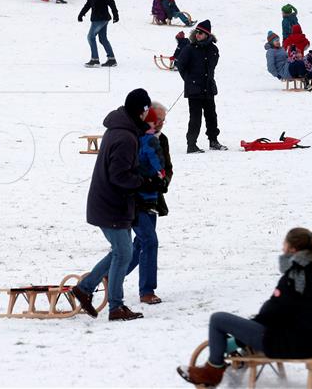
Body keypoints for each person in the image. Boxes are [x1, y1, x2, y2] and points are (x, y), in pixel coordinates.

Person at [177, 228, 312, 387]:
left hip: (291, 344)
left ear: (292, 249)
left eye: (284, 244)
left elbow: (272, 311)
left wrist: (248, 330)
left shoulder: (295, 275)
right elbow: (298, 310)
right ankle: (239, 361)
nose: (282, 248)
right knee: (259, 327)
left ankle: (212, 372)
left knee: (218, 319)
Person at [70, 89, 163, 321]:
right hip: (112, 204)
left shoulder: (121, 130)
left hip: (107, 202)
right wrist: (144, 180)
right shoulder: (125, 137)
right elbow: (119, 176)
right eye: (146, 111)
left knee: (121, 252)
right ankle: (115, 306)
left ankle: (85, 288)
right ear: (140, 112)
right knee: (124, 253)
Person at [127, 102, 173, 305]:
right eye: (158, 119)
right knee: (149, 242)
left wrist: (162, 182)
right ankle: (147, 291)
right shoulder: (134, 139)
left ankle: (109, 275)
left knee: (139, 245)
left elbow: (167, 167)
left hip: (153, 199)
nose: (161, 123)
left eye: (164, 120)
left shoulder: (162, 140)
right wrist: (145, 180)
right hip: (135, 200)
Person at [175, 20, 227, 153]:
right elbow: (181, 65)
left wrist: (208, 79)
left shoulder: (213, 49)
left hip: (208, 87)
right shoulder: (189, 49)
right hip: (194, 89)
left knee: (211, 115)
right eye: (197, 32)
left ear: (207, 35)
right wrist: (188, 80)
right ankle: (191, 144)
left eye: (201, 33)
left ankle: (213, 141)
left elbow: (212, 66)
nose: (198, 35)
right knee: (195, 118)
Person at [79, 0, 119, 68]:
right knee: (102, 39)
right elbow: (89, 2)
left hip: (102, 18)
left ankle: (95, 60)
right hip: (96, 17)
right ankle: (111, 59)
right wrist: (82, 13)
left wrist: (115, 14)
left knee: (90, 37)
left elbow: (111, 2)